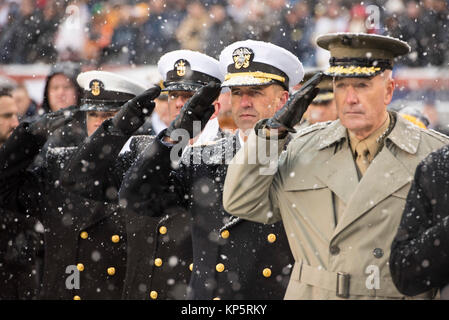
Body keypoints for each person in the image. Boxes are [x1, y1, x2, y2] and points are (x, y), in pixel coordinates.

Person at [223, 33, 449, 300]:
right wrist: (271, 135)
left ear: (388, 90)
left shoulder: (434, 154)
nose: (350, 98)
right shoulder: (302, 148)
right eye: (341, 85)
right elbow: (241, 201)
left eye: (362, 86)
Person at [119, 40, 300, 300]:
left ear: (283, 99)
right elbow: (135, 196)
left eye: (256, 92)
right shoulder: (203, 158)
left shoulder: (302, 157)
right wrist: (175, 137)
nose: (245, 102)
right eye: (237, 92)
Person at [61, 50, 223, 300]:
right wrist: (118, 127)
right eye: (175, 95)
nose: (181, 104)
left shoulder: (227, 153)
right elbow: (79, 180)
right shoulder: (142, 148)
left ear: (215, 104)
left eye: (191, 96)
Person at [0, 71, 148, 300]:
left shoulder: (146, 169)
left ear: (131, 120)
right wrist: (30, 137)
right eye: (92, 114)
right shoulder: (60, 164)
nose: (99, 122)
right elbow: (5, 188)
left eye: (110, 114)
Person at [0, 89, 43, 300]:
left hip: (24, 279)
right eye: (6, 116)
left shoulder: (29, 163)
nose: (15, 123)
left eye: (16, 116)